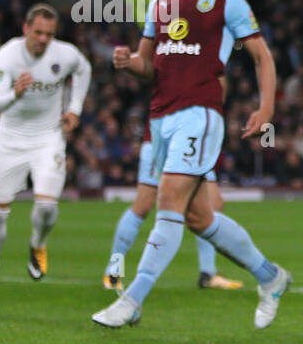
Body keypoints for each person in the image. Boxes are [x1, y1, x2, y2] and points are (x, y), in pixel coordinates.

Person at [92, 0, 291, 329]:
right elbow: (149, 66)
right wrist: (129, 63)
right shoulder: (159, 5)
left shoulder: (226, 2)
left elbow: (262, 56)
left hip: (198, 114)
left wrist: (266, 107)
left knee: (167, 204)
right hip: (161, 117)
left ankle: (131, 301)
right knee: (199, 218)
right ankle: (271, 277)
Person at [0, 3, 92, 286]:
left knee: (47, 206)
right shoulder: (8, 56)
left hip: (48, 139)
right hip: (9, 141)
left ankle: (38, 244)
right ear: (26, 29)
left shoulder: (64, 55)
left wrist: (74, 109)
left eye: (49, 34)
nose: (43, 39)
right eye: (38, 32)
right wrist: (14, 93)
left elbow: (84, 69)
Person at [102, 115, 243, 292]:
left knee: (214, 203)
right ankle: (114, 271)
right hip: (162, 139)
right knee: (143, 206)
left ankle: (208, 273)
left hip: (194, 142)